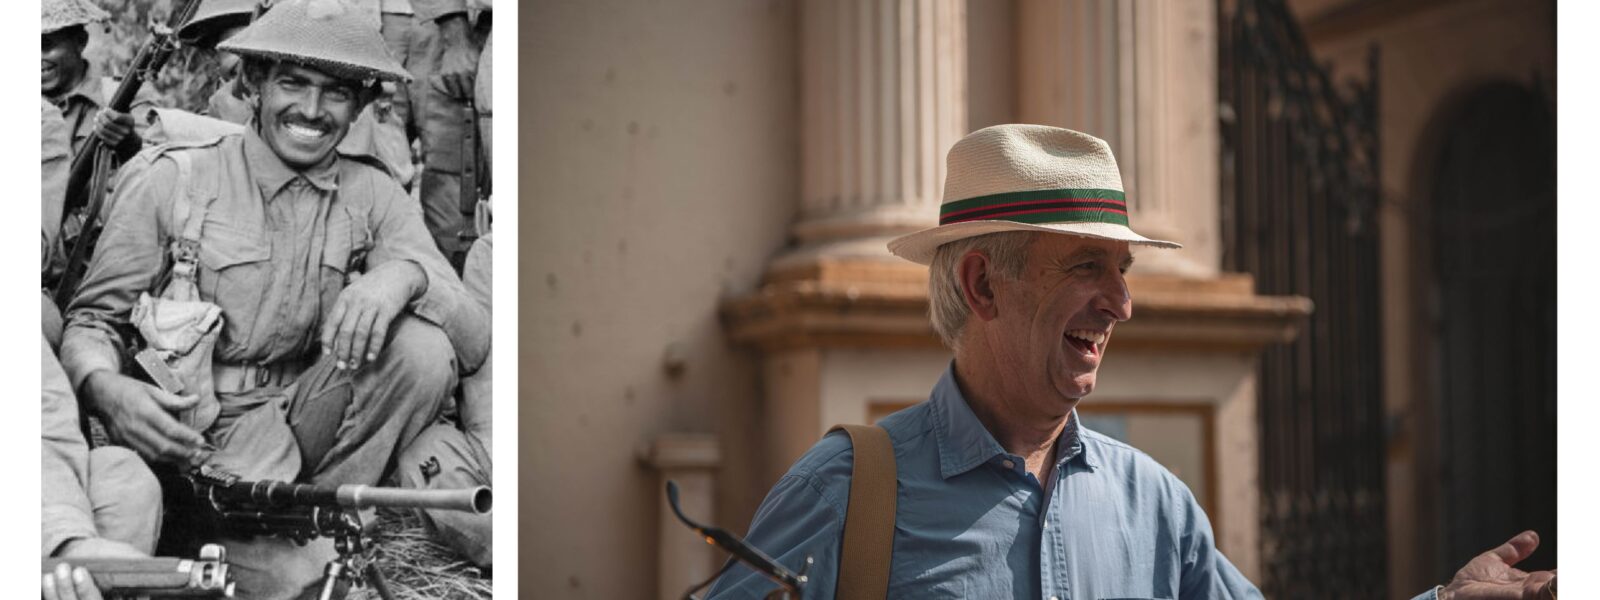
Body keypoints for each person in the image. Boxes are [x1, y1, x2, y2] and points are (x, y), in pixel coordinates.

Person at [706, 125, 1556, 600]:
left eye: (1125, 272)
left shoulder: (1154, 507)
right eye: (1086, 267)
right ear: (981, 283)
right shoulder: (846, 491)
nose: (1122, 304)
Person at [58, 0, 489, 597]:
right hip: (192, 449)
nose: (311, 111)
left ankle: (312, 518)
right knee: (302, 583)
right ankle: (232, 539)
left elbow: (471, 340)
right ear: (255, 83)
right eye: (292, 82)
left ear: (362, 103)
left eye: (336, 92)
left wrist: (405, 277)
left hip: (309, 434)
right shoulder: (173, 179)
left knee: (422, 347)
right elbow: (90, 321)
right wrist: (105, 389)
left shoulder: (374, 192)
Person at [41, 0, 162, 286]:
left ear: (80, 42)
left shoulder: (126, 97)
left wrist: (128, 145)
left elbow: (162, 185)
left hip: (102, 269)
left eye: (46, 45)